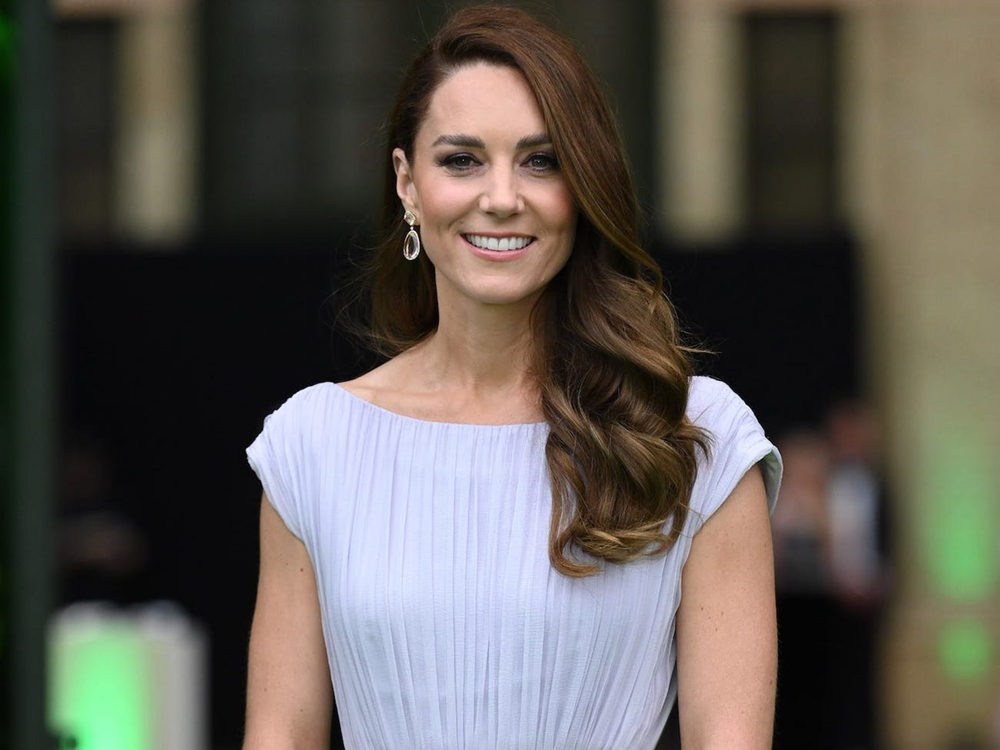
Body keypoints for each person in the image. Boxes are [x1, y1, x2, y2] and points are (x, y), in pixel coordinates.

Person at [243, 5, 782, 749]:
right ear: (407, 183)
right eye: (462, 160)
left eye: (541, 160)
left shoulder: (697, 437)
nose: (501, 198)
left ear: (583, 185)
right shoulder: (313, 445)